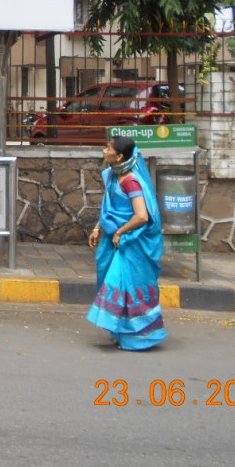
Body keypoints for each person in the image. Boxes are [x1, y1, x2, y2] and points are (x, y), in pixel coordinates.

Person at [86, 135, 167, 351]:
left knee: (127, 288)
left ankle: (140, 337)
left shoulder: (130, 181)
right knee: (116, 287)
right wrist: (98, 228)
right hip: (114, 240)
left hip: (130, 244)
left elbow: (142, 216)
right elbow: (109, 209)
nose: (104, 151)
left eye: (108, 148)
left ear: (119, 156)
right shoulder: (114, 175)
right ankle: (121, 331)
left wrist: (120, 232)